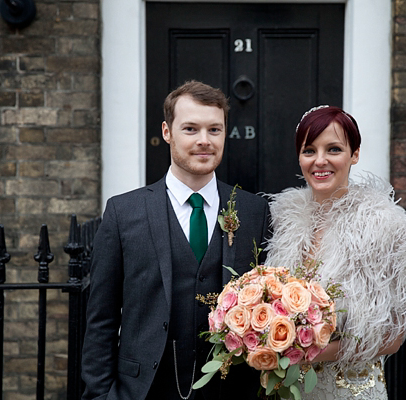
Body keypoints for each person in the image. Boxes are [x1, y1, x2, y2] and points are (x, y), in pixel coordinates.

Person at [81, 80, 270, 400]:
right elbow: (101, 318)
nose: (204, 141)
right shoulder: (123, 212)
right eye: (191, 129)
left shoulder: (253, 211)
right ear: (167, 132)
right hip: (143, 389)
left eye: (214, 130)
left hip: (230, 389)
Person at [265, 105, 406, 399]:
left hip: (352, 390)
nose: (320, 161)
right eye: (309, 150)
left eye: (334, 149)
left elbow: (393, 337)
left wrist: (306, 354)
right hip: (288, 390)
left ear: (354, 154)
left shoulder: (386, 226)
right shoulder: (280, 220)